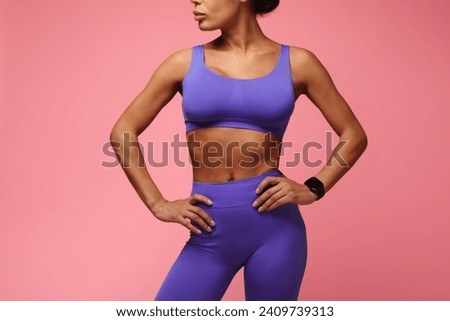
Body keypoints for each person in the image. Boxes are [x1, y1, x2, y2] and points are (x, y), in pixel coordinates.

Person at [109, 0, 368, 301]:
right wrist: (156, 203)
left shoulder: (299, 62)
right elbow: (123, 131)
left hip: (276, 229)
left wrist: (312, 188)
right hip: (210, 229)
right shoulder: (182, 63)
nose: (194, 1)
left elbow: (354, 135)